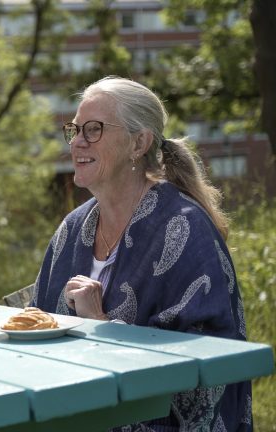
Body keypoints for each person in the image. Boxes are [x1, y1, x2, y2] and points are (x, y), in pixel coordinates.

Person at [29, 76, 251, 431]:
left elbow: (203, 370)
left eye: (94, 129)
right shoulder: (72, 229)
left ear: (138, 143)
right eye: (75, 130)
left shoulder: (184, 229)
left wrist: (99, 324)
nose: (77, 142)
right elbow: (36, 320)